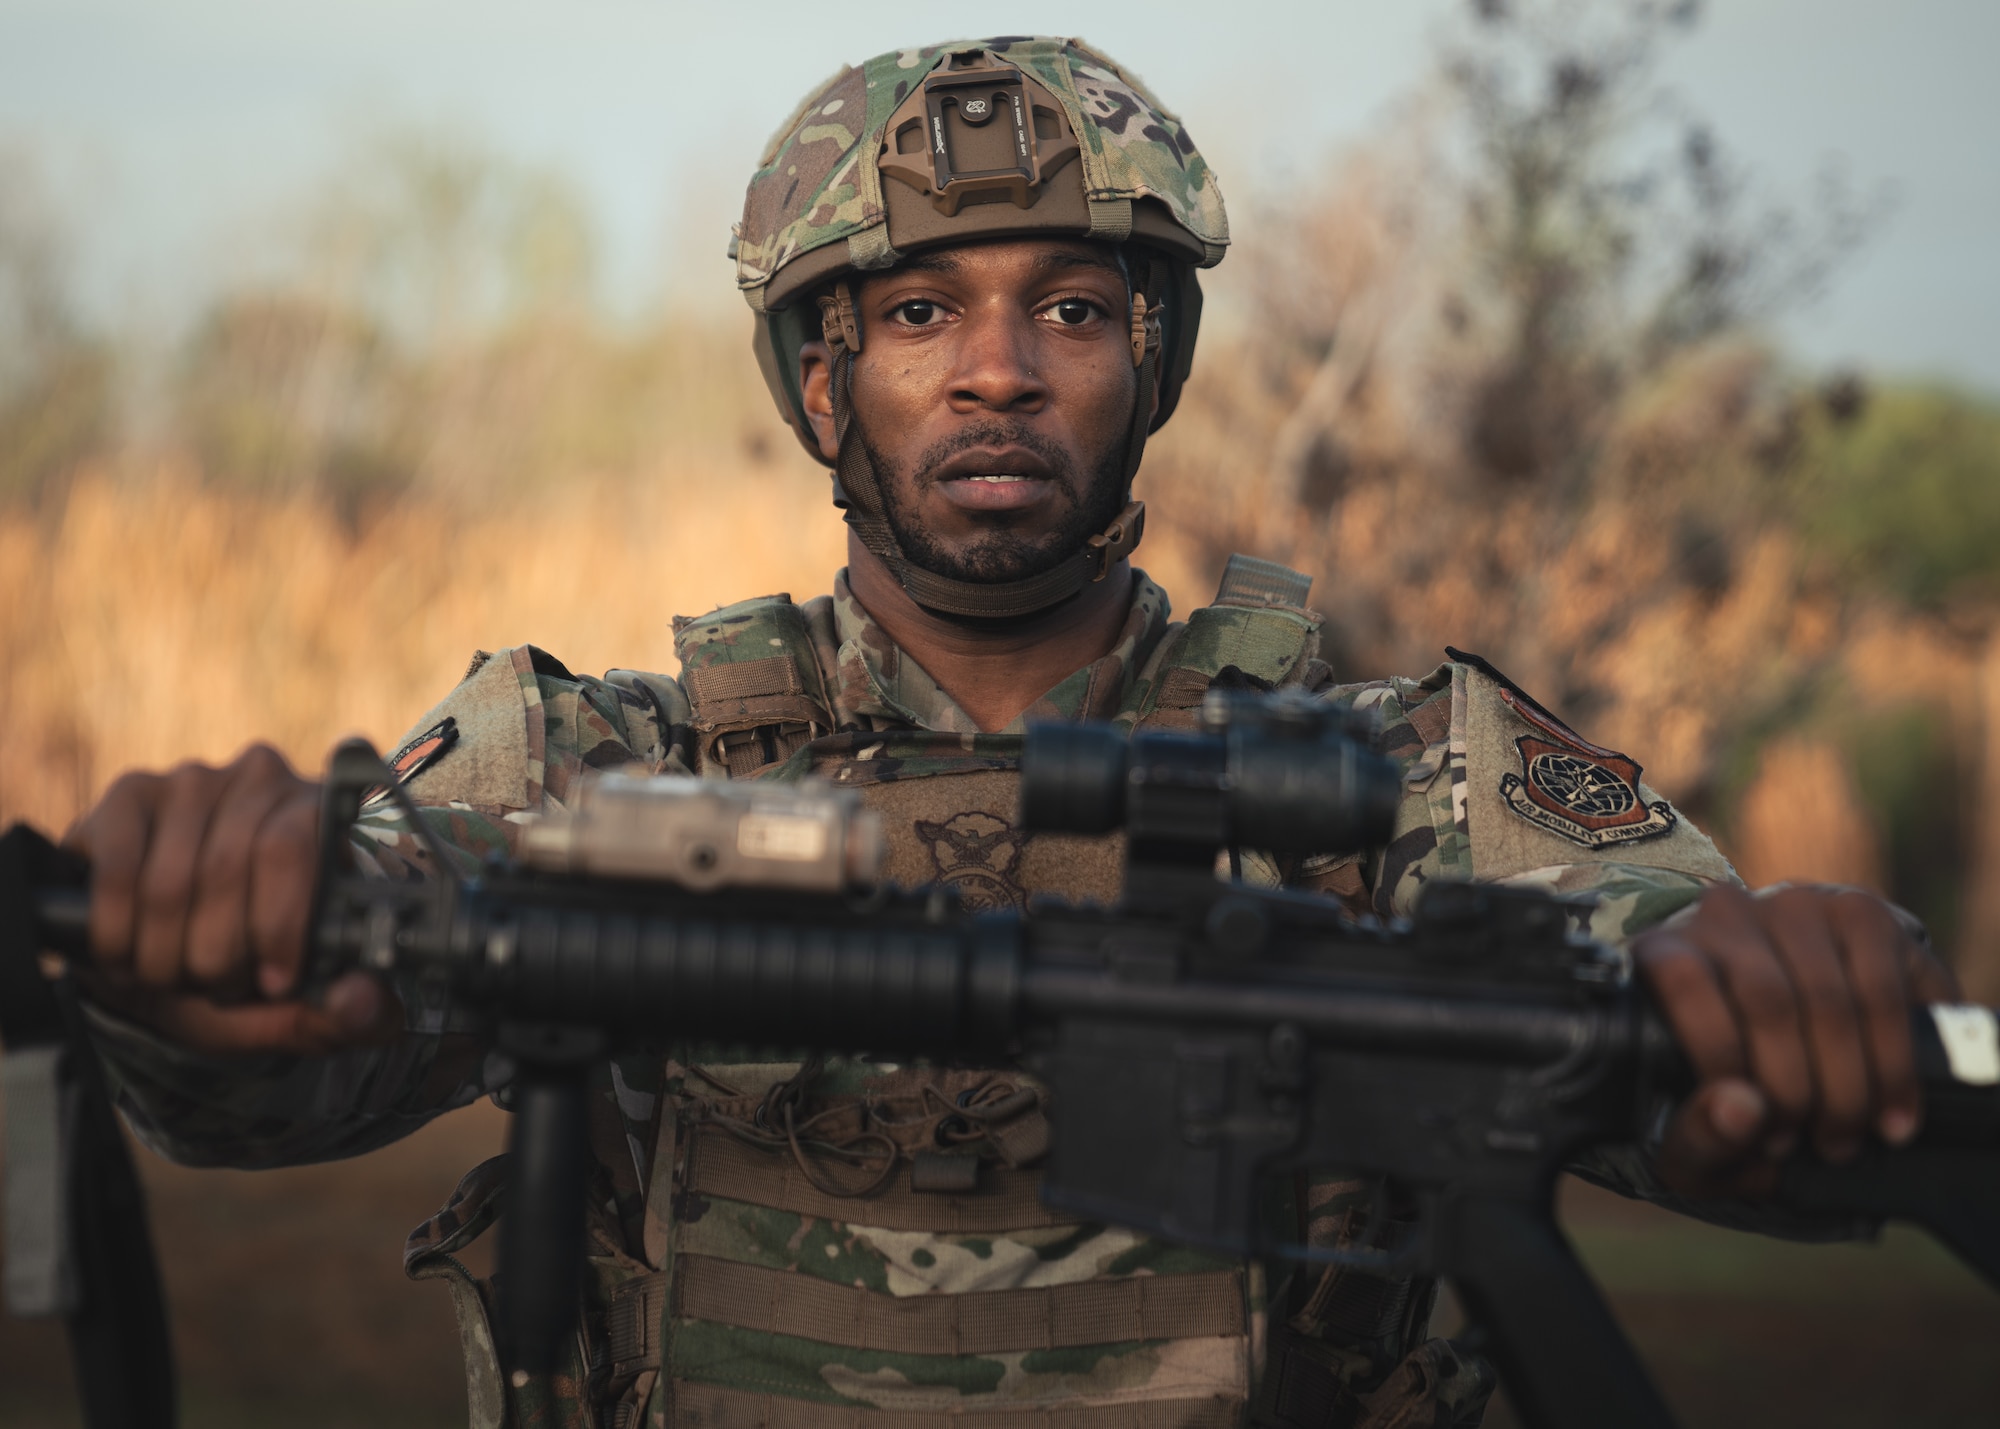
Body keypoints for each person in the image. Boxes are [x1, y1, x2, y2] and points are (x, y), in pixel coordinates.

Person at [64, 37, 1954, 1429]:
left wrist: (1780, 991)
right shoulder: (590, 760)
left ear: (1151, 367)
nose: (995, 367)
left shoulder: (1400, 769)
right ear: (825, 382)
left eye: (1068, 305)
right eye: (916, 311)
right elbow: (258, 1089)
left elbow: (1724, 1069)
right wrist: (194, 962)